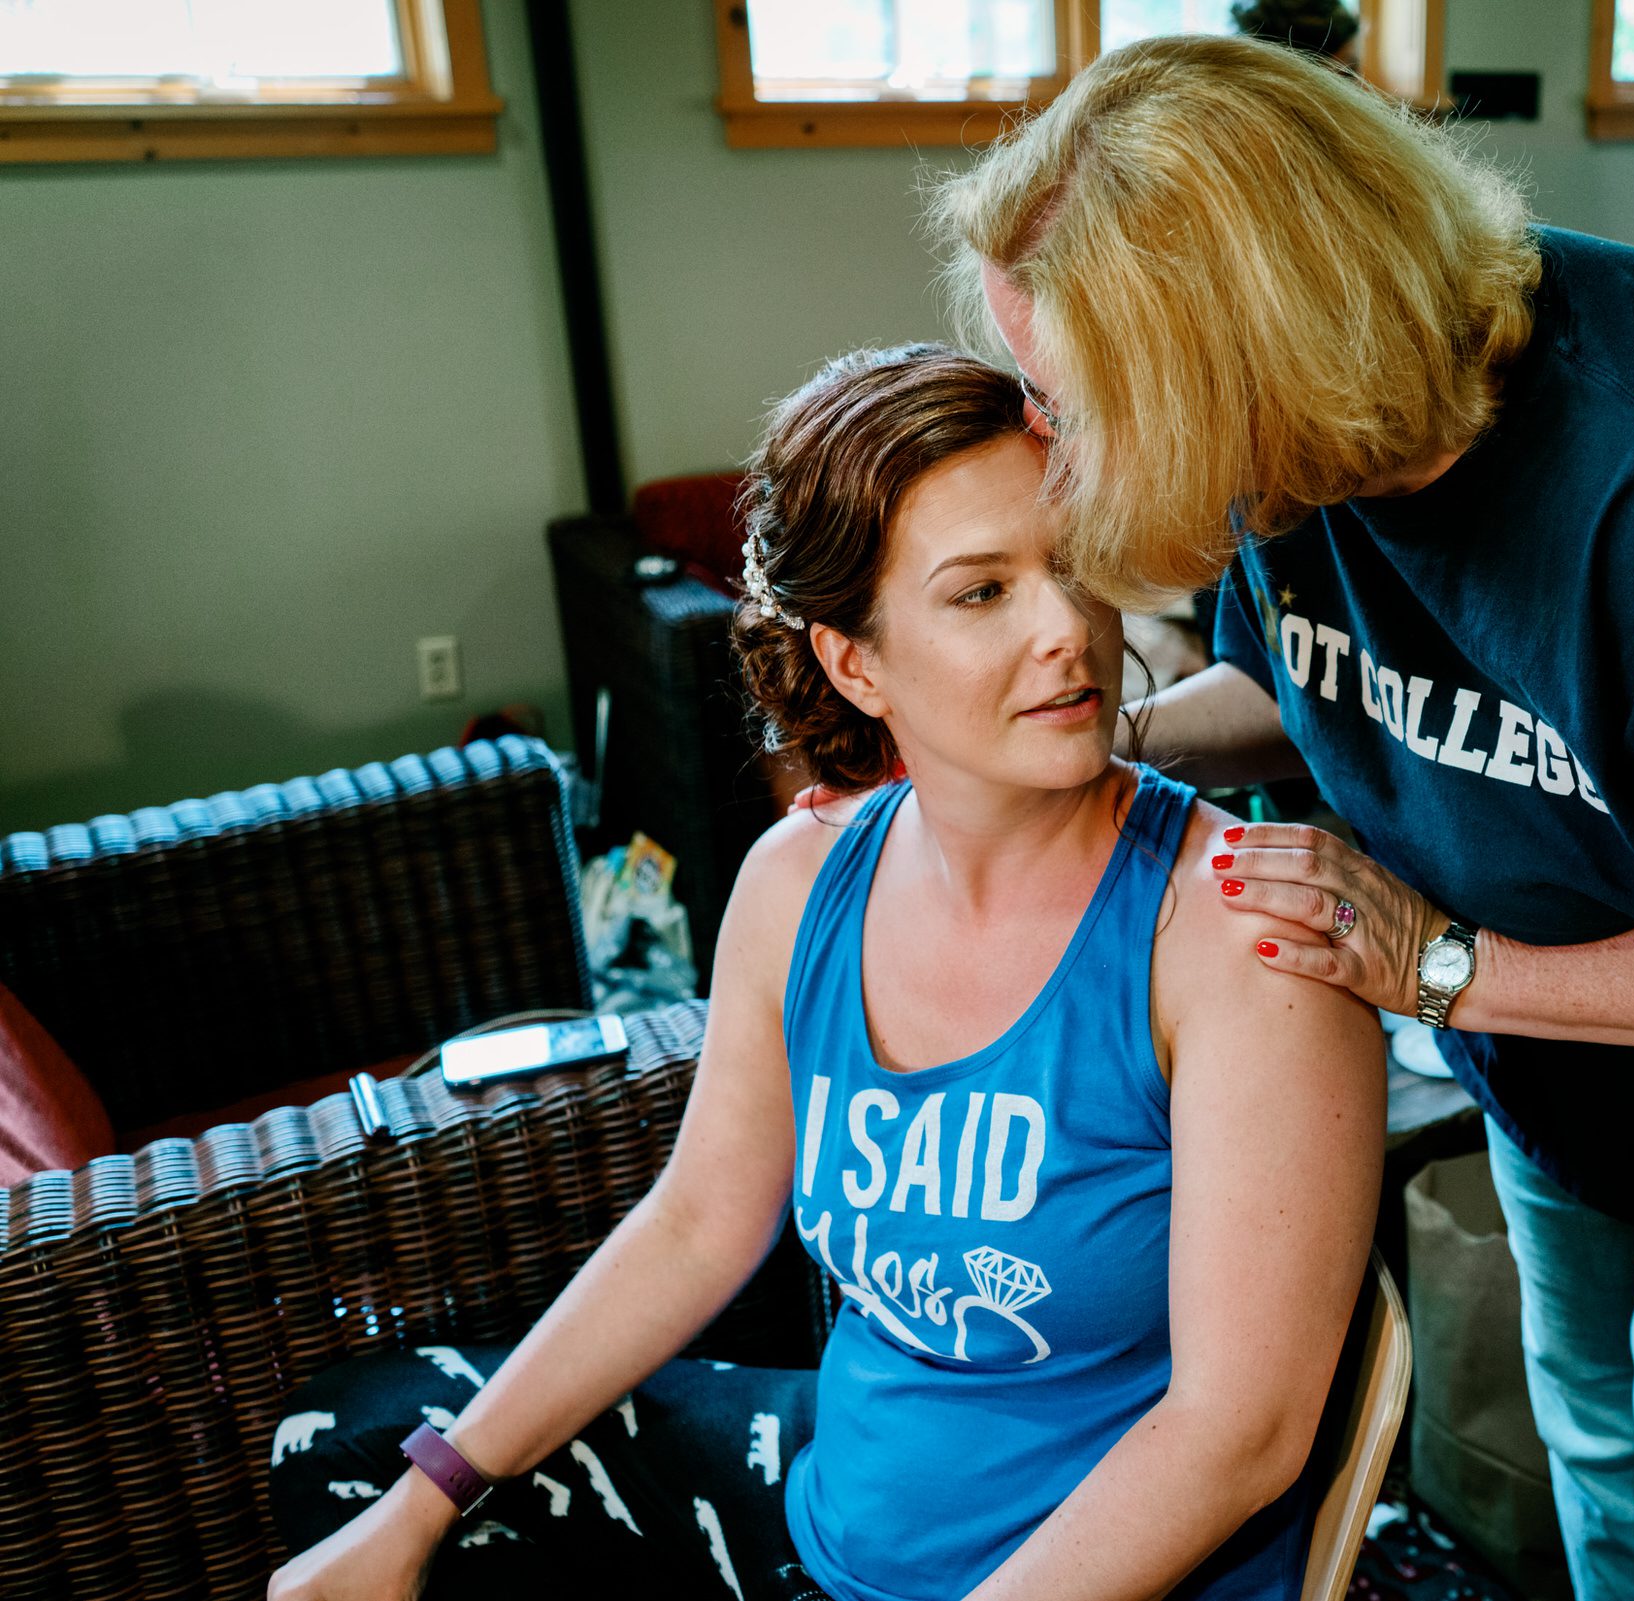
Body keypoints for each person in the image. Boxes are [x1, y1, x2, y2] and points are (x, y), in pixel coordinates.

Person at [933, 35, 1634, 1601]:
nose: (1063, 460)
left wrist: (1450, 969)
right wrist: (1089, 742)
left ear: (1242, 354)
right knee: (1595, 1448)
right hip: (1556, 1046)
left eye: (1076, 405)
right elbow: (1314, 687)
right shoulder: (1304, 440)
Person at [263, 344, 1385, 1601]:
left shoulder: (1239, 930)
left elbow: (1240, 1437)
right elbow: (696, 1223)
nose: (1067, 628)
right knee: (351, 1446)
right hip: (827, 1517)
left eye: (1074, 562)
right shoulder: (804, 882)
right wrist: (428, 1501)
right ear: (856, 660)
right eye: (982, 593)